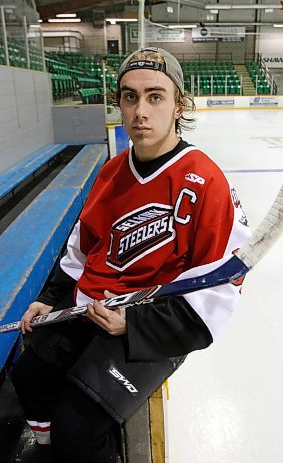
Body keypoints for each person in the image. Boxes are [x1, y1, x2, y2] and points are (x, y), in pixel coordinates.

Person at [11, 47, 250, 463]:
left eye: (155, 97)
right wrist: (50, 297)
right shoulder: (112, 172)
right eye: (129, 96)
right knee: (28, 376)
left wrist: (134, 325)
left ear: (180, 105)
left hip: (153, 321)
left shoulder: (206, 181)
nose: (141, 110)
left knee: (78, 430)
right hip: (90, 305)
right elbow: (81, 249)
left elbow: (220, 289)